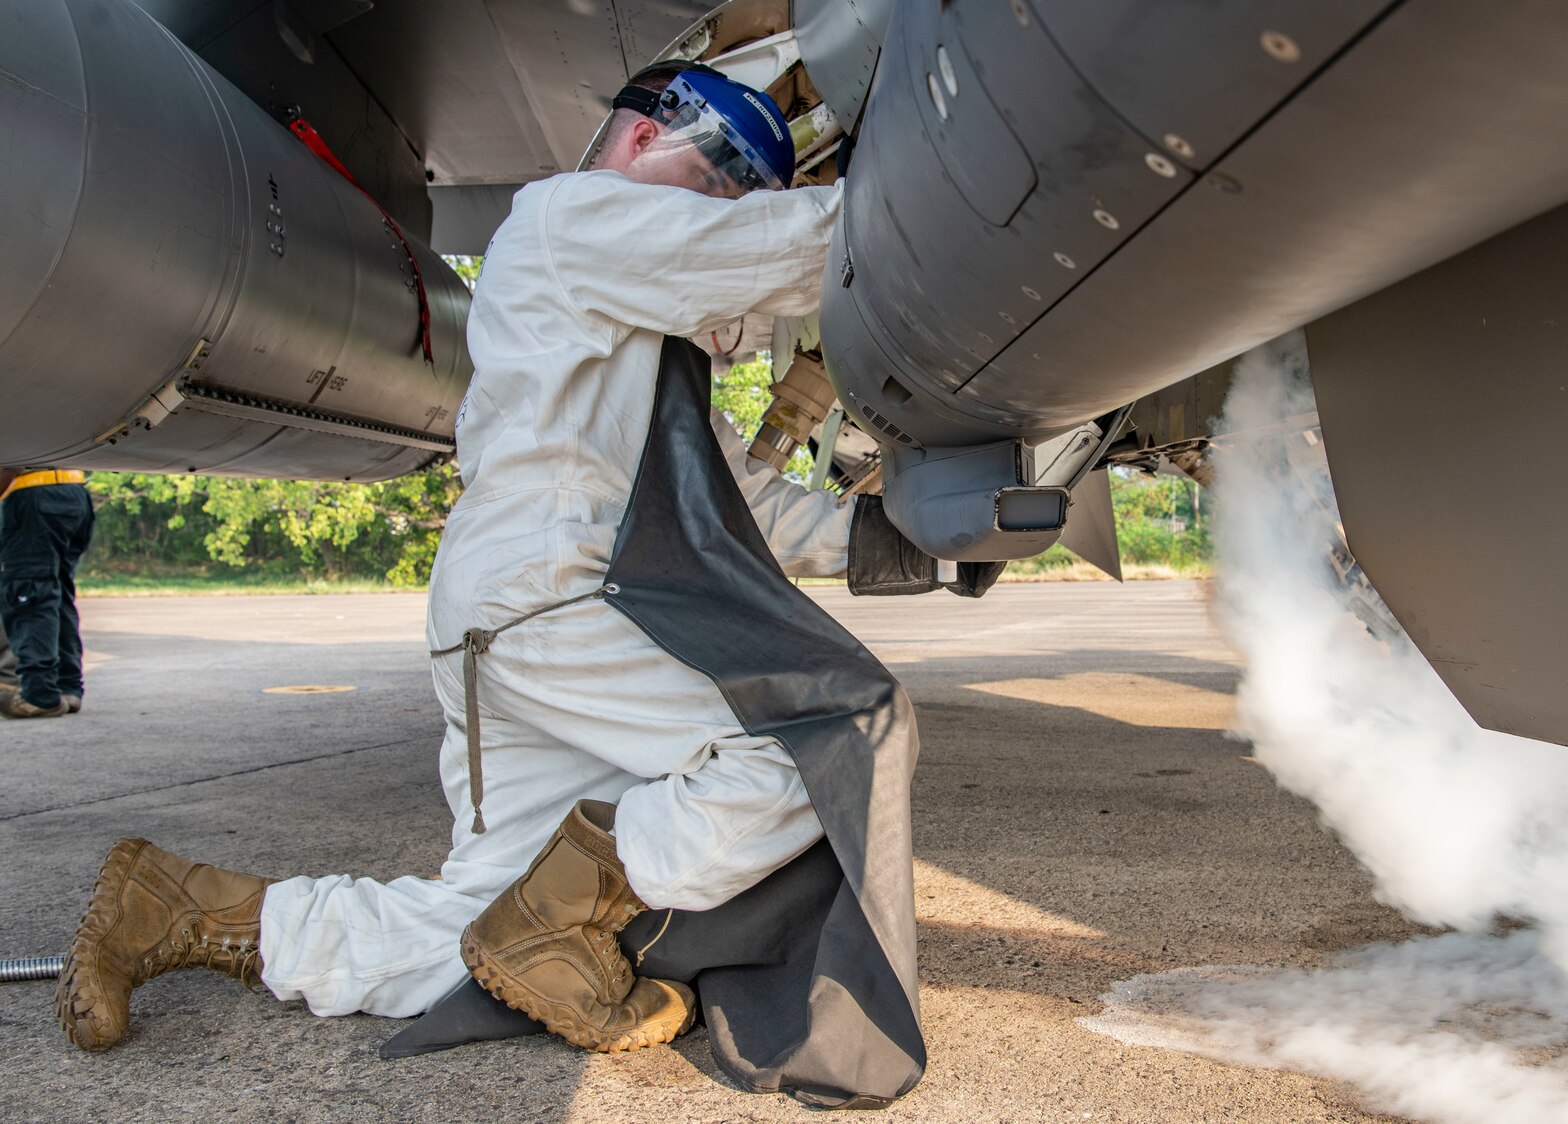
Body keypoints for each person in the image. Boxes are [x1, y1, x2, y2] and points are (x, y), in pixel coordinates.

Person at [57, 62, 956, 1104]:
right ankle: (568, 905)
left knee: (471, 929)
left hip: (504, 613)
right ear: (635, 141)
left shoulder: (631, 334)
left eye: (741, 190)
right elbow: (796, 247)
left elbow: (737, 500)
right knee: (813, 743)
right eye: (717, 177)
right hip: (552, 595)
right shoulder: (568, 219)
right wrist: (943, 195)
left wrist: (895, 542)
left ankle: (180, 905)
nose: (725, 207)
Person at [0, 467, 93, 718]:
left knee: (29, 595)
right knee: (58, 595)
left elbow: (10, 460)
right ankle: (68, 687)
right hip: (74, 492)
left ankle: (39, 695)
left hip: (32, 495)